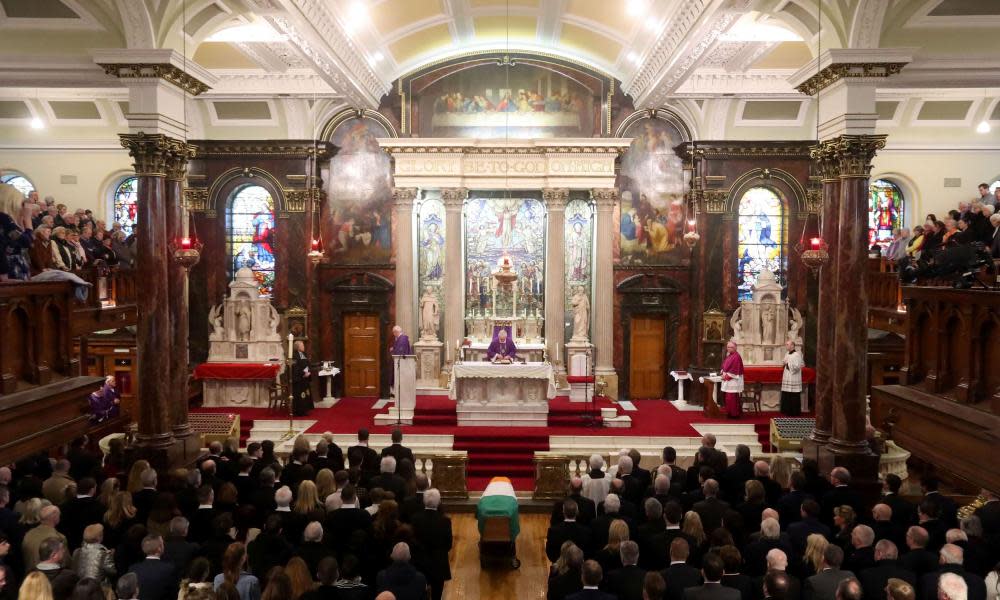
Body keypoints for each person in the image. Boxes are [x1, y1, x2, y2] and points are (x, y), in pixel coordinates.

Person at [127, 535, 178, 600]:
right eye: (162, 543)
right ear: (159, 549)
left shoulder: (132, 569)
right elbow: (174, 595)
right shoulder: (170, 569)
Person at [720, 341, 745, 419]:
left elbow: (735, 370)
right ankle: (730, 412)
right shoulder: (730, 355)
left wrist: (726, 376)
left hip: (734, 381)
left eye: (730, 347)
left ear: (735, 348)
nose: (728, 349)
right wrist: (722, 371)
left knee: (732, 398)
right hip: (729, 380)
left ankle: (734, 414)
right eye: (727, 347)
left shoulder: (736, 356)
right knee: (728, 398)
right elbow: (725, 365)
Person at [780, 340, 803, 416]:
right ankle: (787, 411)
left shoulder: (797, 355)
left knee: (793, 395)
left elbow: (797, 367)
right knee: (787, 394)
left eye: (787, 344)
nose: (786, 346)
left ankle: (794, 412)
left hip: (793, 378)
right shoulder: (787, 354)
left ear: (792, 345)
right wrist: (784, 363)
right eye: (786, 344)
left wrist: (788, 364)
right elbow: (784, 361)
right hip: (787, 376)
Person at [291, 341, 313, 416]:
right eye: (302, 345)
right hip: (299, 379)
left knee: (306, 394)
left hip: (305, 378)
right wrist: (303, 374)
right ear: (298, 347)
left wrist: (308, 372)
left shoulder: (304, 354)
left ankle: (305, 409)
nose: (303, 346)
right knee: (300, 394)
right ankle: (298, 411)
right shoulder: (294, 356)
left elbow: (308, 364)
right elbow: (295, 367)